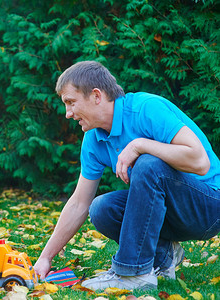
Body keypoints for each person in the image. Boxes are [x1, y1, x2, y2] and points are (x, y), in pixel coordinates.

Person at [33, 61, 220, 290]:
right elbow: (79, 203)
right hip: (169, 212)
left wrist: (140, 145)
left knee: (148, 163)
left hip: (208, 207)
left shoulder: (145, 109)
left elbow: (200, 162)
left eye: (71, 103)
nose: (68, 113)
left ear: (96, 95)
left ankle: (134, 274)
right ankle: (164, 258)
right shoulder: (94, 139)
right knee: (101, 208)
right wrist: (45, 257)